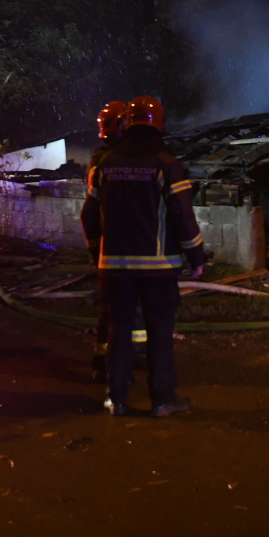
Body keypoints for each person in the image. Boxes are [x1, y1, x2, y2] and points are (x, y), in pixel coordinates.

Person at [80, 94, 205, 417]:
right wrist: (196, 257)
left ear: (127, 123)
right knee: (159, 332)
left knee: (118, 331)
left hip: (114, 268)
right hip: (158, 268)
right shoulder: (167, 163)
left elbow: (89, 215)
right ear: (159, 123)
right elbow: (182, 216)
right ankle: (162, 399)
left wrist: (97, 253)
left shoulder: (106, 164)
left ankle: (116, 399)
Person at [83, 100, 130, 383]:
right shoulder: (106, 162)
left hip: (116, 249)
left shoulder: (108, 159)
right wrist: (95, 249)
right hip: (116, 249)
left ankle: (116, 360)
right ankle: (106, 363)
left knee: (118, 307)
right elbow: (90, 212)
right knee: (114, 307)